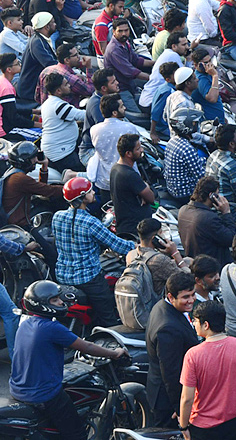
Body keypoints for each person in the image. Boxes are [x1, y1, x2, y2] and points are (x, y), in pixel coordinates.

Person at [9, 281, 130, 440]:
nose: (60, 302)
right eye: (54, 300)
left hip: (17, 390)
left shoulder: (25, 323)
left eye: (59, 298)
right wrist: (114, 353)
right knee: (77, 434)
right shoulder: (52, 328)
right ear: (41, 304)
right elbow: (87, 347)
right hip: (44, 395)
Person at [53, 176, 136, 327]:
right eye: (90, 191)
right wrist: (138, 246)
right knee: (107, 312)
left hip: (62, 275)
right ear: (82, 197)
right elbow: (116, 244)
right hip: (87, 278)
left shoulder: (57, 217)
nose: (93, 193)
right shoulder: (90, 222)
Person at [178, 300, 236, 439]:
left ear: (206, 325)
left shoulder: (193, 355)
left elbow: (187, 398)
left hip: (203, 428)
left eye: (195, 321)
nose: (193, 324)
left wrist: (184, 426)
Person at [146, 271, 200, 427]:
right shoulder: (168, 328)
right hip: (167, 400)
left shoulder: (164, 307)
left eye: (193, 294)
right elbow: (170, 372)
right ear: (171, 297)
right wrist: (180, 407)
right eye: (185, 297)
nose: (191, 301)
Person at [177, 176, 236, 267]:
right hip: (213, 267)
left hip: (195, 261)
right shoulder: (209, 218)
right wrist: (226, 213)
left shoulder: (183, 210)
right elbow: (231, 239)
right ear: (211, 196)